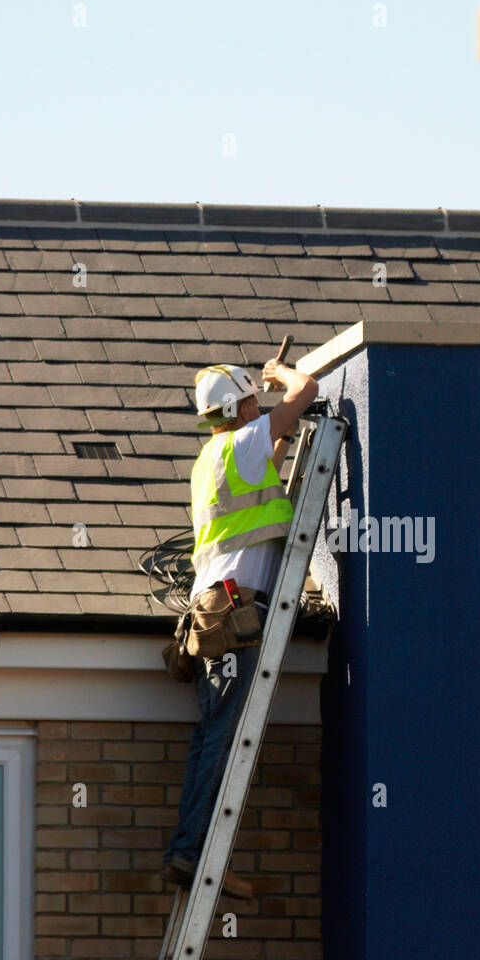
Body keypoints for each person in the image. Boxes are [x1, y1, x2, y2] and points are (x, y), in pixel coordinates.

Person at [162, 355, 319, 891]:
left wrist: (277, 448)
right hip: (236, 611)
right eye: (252, 398)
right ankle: (193, 854)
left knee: (215, 734)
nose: (260, 404)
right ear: (234, 409)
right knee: (223, 738)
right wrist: (283, 376)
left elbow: (258, 485)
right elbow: (307, 392)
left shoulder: (216, 456)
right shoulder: (240, 442)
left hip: (218, 609)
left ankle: (193, 851)